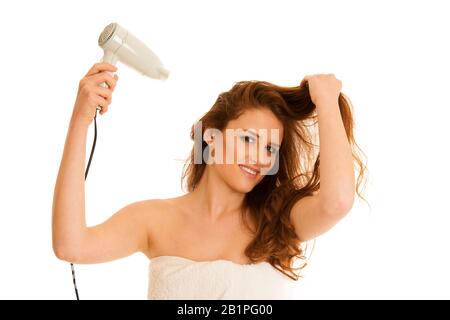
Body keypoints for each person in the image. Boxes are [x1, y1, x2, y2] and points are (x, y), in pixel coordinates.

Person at [52, 62, 367, 299]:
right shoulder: (152, 219)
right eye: (248, 139)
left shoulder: (277, 223)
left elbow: (337, 201)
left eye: (270, 147)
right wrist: (80, 119)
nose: (260, 156)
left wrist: (326, 101)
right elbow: (71, 245)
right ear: (211, 138)